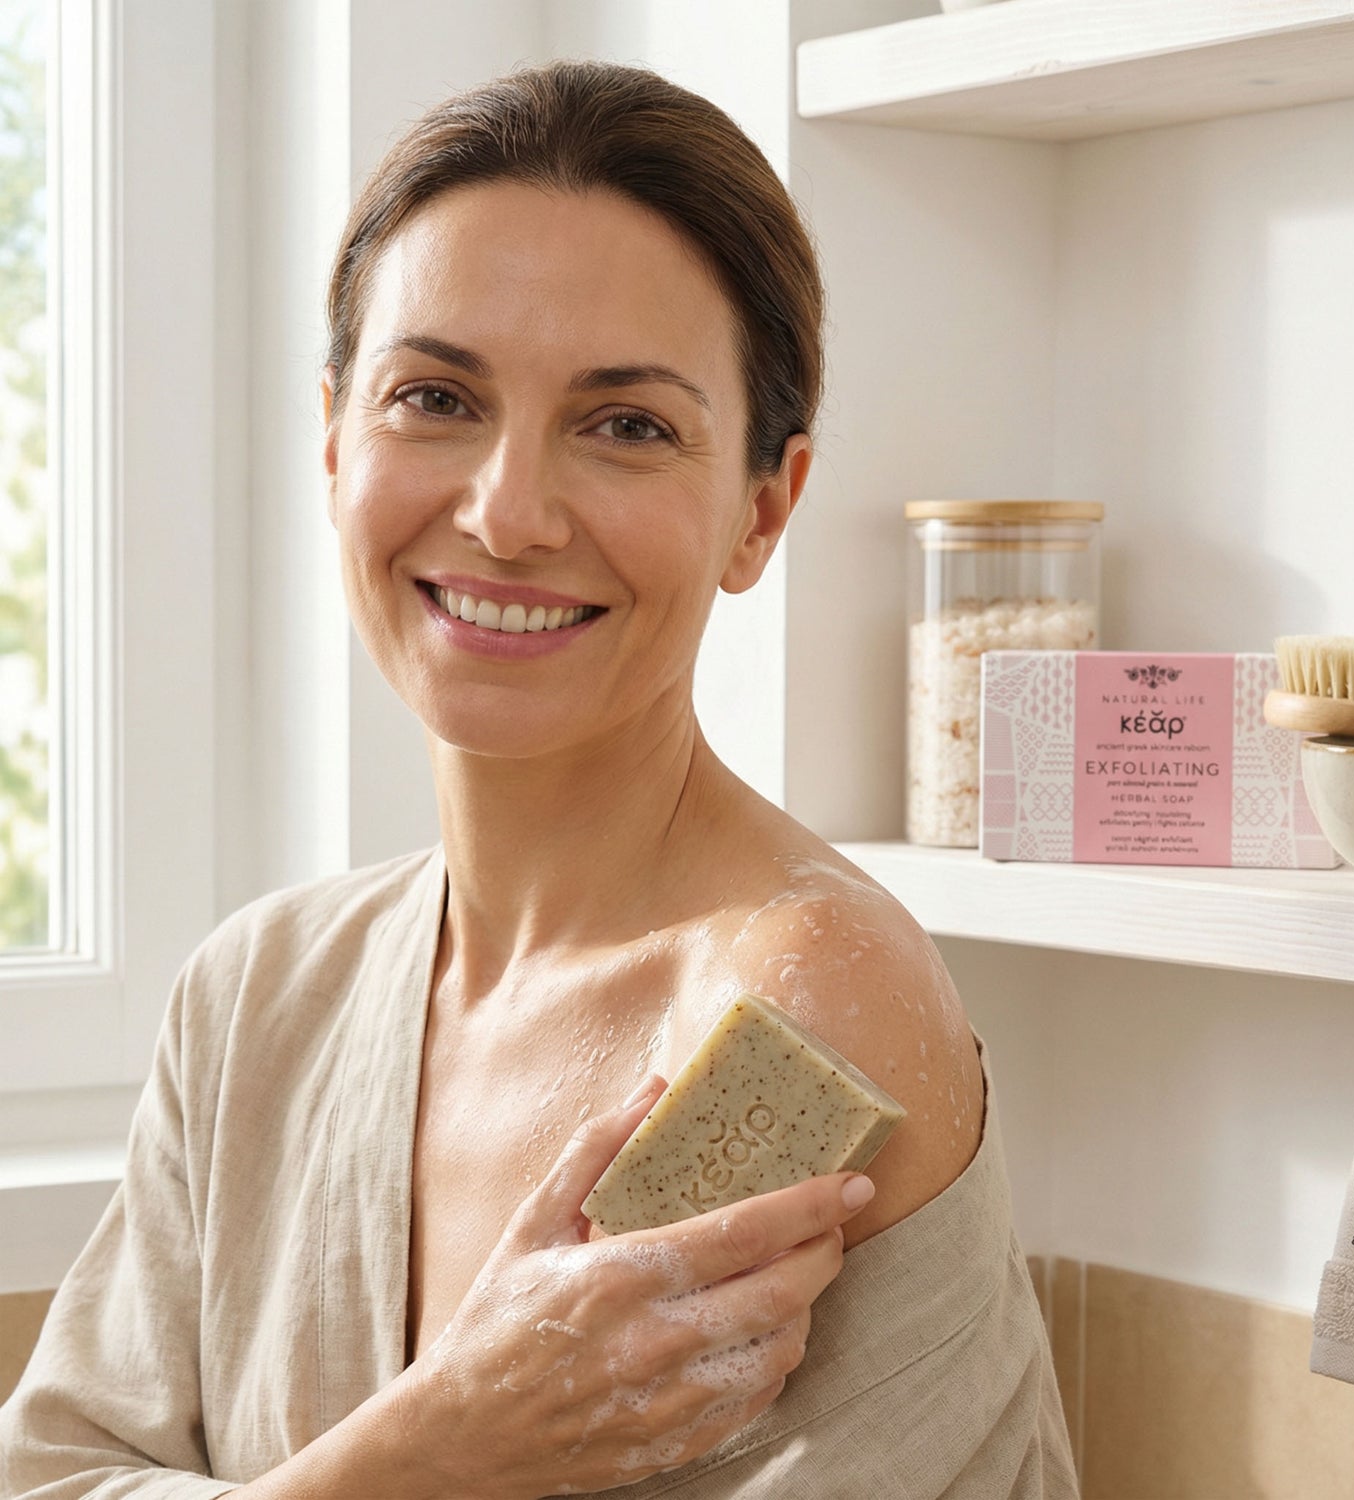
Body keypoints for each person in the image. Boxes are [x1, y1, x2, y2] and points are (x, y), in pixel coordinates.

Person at [0, 61, 1076, 1498]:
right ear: (334, 443)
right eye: (435, 396)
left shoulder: (796, 1007)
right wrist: (436, 1449)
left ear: (761, 510)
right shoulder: (258, 997)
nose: (506, 514)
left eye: (626, 424)